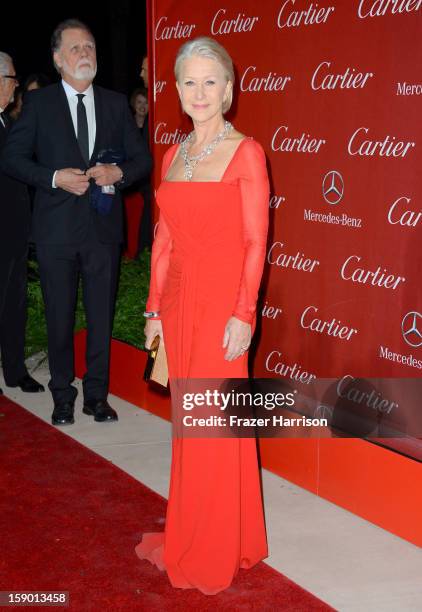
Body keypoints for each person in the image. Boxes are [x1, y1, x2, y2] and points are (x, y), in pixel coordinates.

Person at [135, 37, 269, 594]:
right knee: (193, 425)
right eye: (188, 81)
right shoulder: (173, 154)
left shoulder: (247, 154)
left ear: (229, 90)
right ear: (178, 91)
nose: (199, 91)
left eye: (210, 80)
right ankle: (213, 530)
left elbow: (255, 242)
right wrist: (152, 310)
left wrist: (244, 314)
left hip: (221, 305)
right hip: (179, 301)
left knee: (215, 422)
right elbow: (164, 239)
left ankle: (216, 545)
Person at [1, 20, 151, 425]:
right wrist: (53, 178)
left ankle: (96, 397)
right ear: (57, 59)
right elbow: (12, 158)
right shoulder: (39, 105)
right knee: (60, 316)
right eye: (75, 48)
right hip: (55, 232)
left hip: (103, 230)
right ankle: (63, 395)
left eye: (90, 46)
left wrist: (118, 174)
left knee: (100, 315)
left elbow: (142, 160)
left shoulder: (116, 103)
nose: (85, 53)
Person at [0, 52, 44, 395]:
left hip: (15, 231)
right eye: (13, 79)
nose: (16, 87)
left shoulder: (9, 124)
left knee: (15, 303)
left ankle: (15, 371)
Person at [129, 86, 152, 252]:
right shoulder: (127, 124)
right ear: (134, 104)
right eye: (139, 102)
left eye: (146, 103)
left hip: (147, 176)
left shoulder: (154, 125)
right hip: (131, 175)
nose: (142, 106)